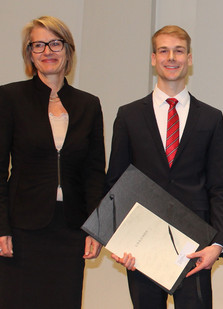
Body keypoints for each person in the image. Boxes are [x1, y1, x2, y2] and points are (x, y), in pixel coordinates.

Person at [105, 25, 223, 309]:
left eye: (178, 51)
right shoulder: (129, 116)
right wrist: (117, 241)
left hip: (195, 247)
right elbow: (115, 183)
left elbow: (219, 187)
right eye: (163, 50)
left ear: (189, 58)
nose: (171, 57)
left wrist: (218, 245)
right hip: (141, 245)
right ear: (153, 58)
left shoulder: (211, 118)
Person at [0, 16, 105, 308]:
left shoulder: (88, 104)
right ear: (30, 54)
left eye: (55, 43)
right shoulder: (9, 97)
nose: (48, 51)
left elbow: (95, 173)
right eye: (38, 45)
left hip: (71, 230)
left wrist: (96, 229)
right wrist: (1, 227)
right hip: (22, 229)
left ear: (67, 50)